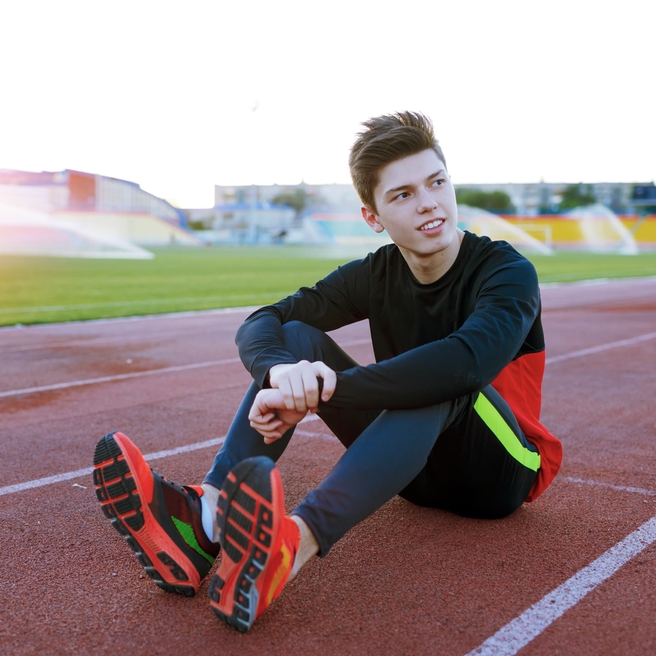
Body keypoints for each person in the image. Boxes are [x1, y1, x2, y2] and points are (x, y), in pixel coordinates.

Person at [93, 111, 562, 634]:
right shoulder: (376, 272)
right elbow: (265, 321)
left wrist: (330, 388)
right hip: (413, 472)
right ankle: (203, 523)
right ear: (373, 216)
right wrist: (279, 376)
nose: (429, 201)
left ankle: (291, 547)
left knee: (446, 380)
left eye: (436, 182)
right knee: (296, 342)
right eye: (403, 194)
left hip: (501, 472)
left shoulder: (506, 271)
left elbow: (466, 362)